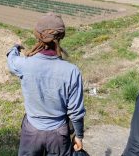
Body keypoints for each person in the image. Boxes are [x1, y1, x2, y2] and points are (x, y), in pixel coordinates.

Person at [7, 12, 85, 156]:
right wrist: (79, 136)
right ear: (61, 37)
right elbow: (76, 112)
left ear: (38, 36)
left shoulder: (24, 64)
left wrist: (15, 48)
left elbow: (11, 61)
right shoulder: (71, 71)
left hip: (31, 132)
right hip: (59, 135)